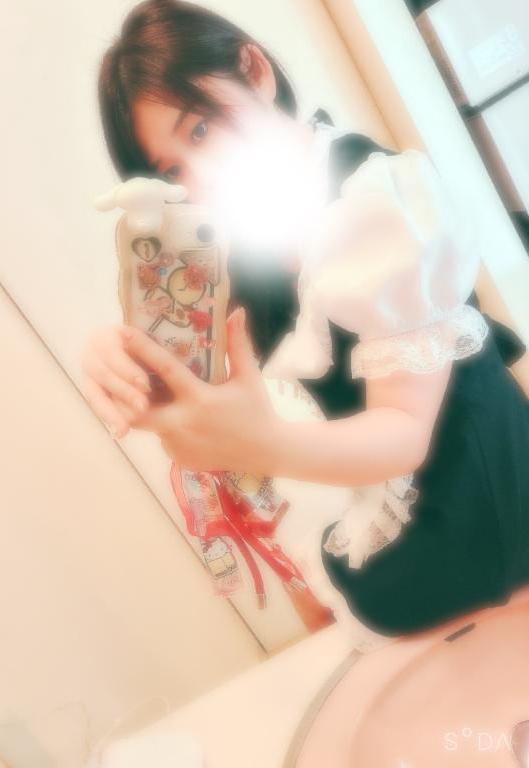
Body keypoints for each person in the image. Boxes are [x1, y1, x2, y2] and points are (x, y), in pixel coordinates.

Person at [81, 0, 529, 644]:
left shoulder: (374, 196)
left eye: (201, 129)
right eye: (172, 170)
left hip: (486, 519)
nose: (200, 178)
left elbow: (406, 430)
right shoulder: (239, 249)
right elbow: (204, 383)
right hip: (414, 532)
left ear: (253, 70)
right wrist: (119, 349)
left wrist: (258, 443)